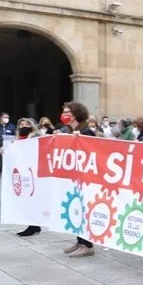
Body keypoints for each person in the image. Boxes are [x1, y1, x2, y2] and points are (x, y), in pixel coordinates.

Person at [59, 102, 97, 257]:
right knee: (76, 209)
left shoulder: (86, 130)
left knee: (84, 209)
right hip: (75, 176)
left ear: (75, 114)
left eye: (67, 112)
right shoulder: (70, 130)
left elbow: (94, 150)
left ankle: (87, 245)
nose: (64, 115)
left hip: (85, 177)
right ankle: (80, 241)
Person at [9, 118, 44, 237]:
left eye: (26, 124)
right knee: (26, 199)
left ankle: (34, 225)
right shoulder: (17, 139)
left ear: (31, 126)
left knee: (33, 198)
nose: (23, 127)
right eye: (21, 125)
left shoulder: (36, 136)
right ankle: (33, 224)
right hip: (23, 172)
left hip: (33, 172)